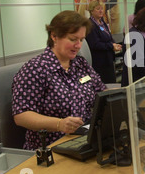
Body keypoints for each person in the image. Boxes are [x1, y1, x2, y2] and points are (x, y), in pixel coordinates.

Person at [12, 11, 106, 150]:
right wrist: (59, 124)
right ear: (54, 36)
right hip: (52, 146)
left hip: (84, 140)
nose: (79, 45)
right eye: (73, 39)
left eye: (81, 40)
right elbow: (21, 116)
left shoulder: (80, 64)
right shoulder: (35, 69)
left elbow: (102, 92)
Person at [86, 0, 122, 84]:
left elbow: (109, 36)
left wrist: (114, 44)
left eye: (102, 8)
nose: (101, 11)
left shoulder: (102, 22)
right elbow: (95, 44)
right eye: (98, 9)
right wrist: (111, 46)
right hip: (100, 63)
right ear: (91, 10)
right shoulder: (90, 24)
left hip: (108, 60)